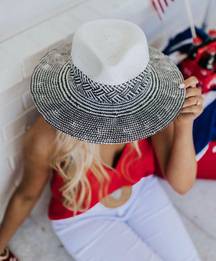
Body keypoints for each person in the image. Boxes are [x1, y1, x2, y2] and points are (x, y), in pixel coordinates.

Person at [0, 19, 204, 261]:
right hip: (83, 218)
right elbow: (26, 195)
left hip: (141, 192)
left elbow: (182, 184)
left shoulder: (150, 107)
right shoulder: (46, 136)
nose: (118, 118)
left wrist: (183, 124)